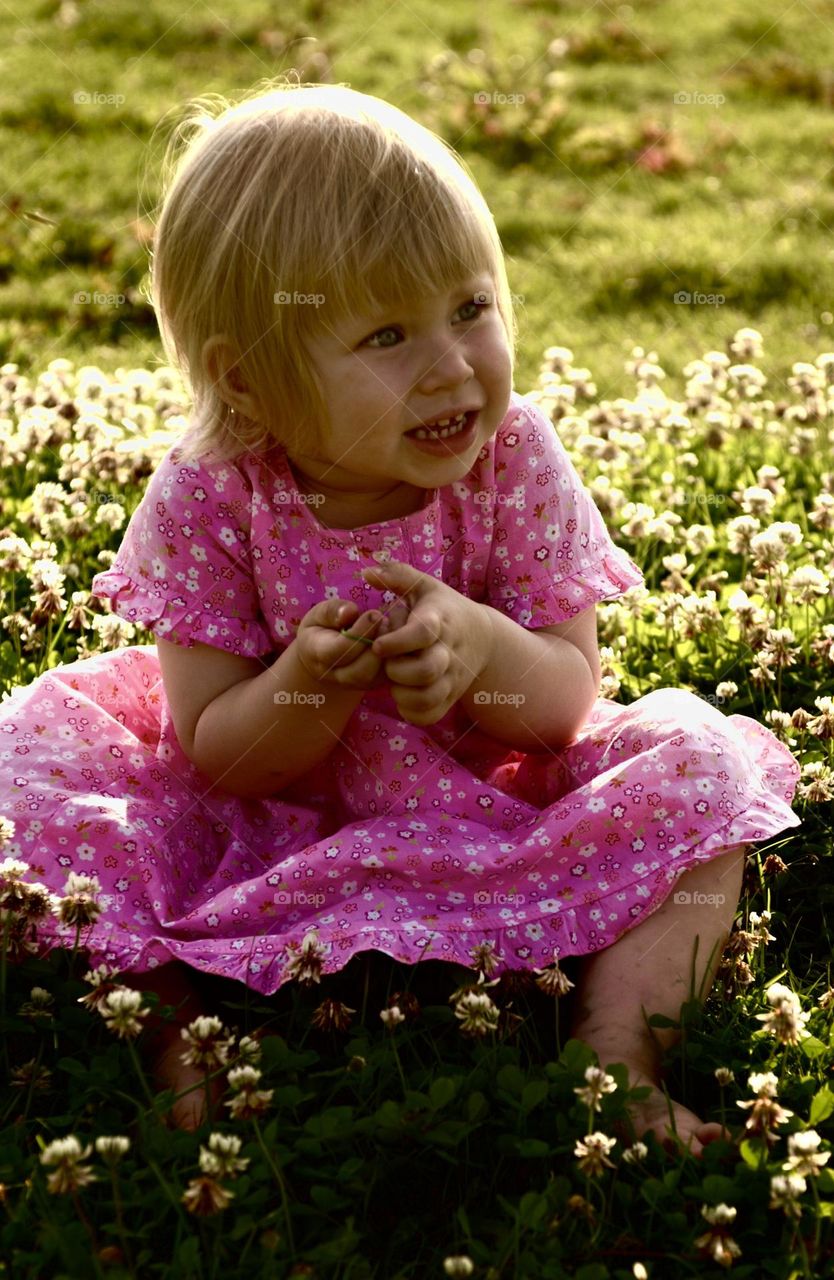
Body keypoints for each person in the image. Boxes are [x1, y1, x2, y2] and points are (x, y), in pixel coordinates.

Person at [0, 80, 801, 1146]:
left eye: (471, 308)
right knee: (34, 793)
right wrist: (305, 687)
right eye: (387, 335)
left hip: (487, 805)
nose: (452, 365)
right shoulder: (210, 494)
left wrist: (482, 654)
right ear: (251, 382)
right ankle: (172, 1030)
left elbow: (564, 704)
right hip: (263, 828)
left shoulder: (513, 457)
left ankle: (617, 1044)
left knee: (704, 767)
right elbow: (213, 754)